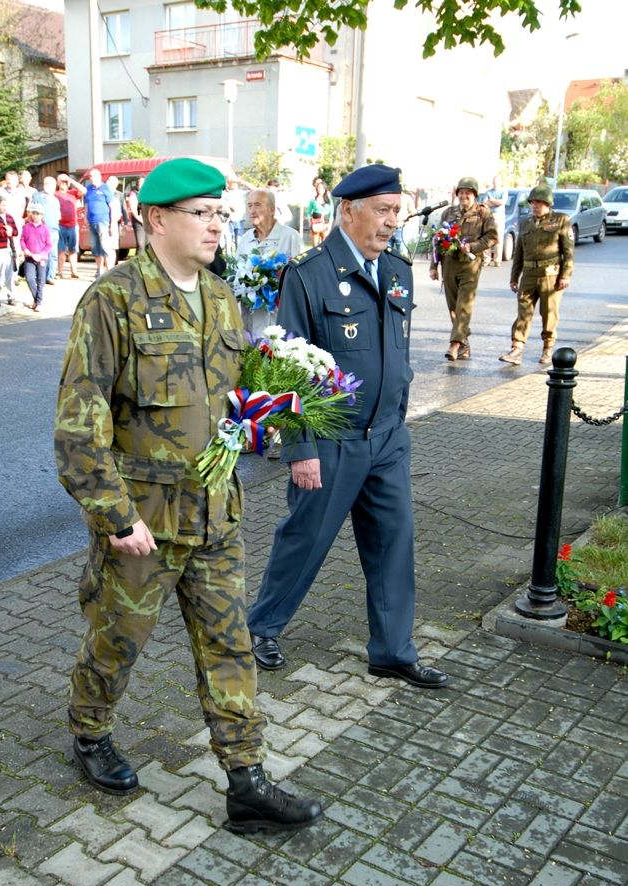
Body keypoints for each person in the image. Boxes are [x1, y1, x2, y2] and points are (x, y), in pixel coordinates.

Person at [54, 157, 323, 834]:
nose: (215, 225)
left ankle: (246, 779)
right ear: (156, 220)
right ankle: (89, 730)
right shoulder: (111, 300)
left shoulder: (221, 297)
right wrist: (114, 517)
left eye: (220, 214)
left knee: (229, 645)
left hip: (214, 512)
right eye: (201, 213)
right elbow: (78, 423)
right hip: (142, 522)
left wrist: (264, 417)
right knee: (118, 642)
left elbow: (229, 399)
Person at [247, 164, 448, 693]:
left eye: (395, 211)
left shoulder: (399, 270)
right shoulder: (309, 273)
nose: (391, 222)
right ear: (348, 211)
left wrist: (398, 420)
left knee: (393, 543)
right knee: (305, 537)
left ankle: (392, 651)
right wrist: (300, 448)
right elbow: (284, 367)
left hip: (386, 438)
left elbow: (395, 350)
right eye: (381, 211)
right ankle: (261, 627)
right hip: (331, 442)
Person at [500, 184, 574, 367]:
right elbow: (519, 252)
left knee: (549, 312)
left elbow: (568, 251)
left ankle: (548, 348)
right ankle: (517, 348)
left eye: (540, 203)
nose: (535, 206)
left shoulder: (561, 220)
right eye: (533, 202)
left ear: (548, 204)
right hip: (529, 274)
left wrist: (565, 275)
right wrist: (513, 276)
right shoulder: (525, 223)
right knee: (523, 312)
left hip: (551, 275)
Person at [429, 176, 497, 362]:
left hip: (470, 265)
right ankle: (464, 343)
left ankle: (455, 344)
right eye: (461, 192)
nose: (464, 196)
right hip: (449, 263)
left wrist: (473, 247)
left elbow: (492, 237)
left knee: (463, 305)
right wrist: (434, 266)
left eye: (468, 193)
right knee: (453, 306)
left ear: (474, 195)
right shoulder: (449, 213)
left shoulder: (483, 213)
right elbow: (437, 239)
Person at [237, 188, 302, 260]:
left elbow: (302, 269)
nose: (252, 211)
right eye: (250, 206)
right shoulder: (246, 238)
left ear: (272, 210)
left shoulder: (290, 237)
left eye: (257, 205)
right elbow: (235, 268)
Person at [20, 202, 52, 312]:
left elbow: (49, 244)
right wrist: (25, 250)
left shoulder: (45, 228)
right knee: (29, 278)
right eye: (34, 213)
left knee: (41, 280)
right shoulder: (26, 227)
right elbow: (22, 240)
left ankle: (38, 302)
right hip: (29, 257)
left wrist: (41, 255)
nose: (36, 215)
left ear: (42, 215)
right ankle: (37, 300)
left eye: (38, 214)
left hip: (41, 258)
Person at [0, 195, 19, 306]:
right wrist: (4, 232)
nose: (4, 207)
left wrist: (11, 231)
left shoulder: (10, 217)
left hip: (9, 248)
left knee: (10, 273)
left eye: (6, 205)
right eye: (2, 205)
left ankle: (11, 296)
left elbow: (15, 232)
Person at [83, 168, 113, 276]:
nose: (91, 178)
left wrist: (112, 222)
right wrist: (85, 217)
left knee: (105, 247)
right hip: (91, 222)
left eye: (93, 176)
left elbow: (111, 206)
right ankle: (99, 271)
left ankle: (109, 271)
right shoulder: (89, 189)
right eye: (90, 176)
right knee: (95, 248)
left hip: (103, 221)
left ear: (99, 176)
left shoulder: (105, 188)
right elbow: (87, 204)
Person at [56, 173, 85, 279]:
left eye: (65, 182)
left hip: (73, 225)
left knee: (73, 250)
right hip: (61, 225)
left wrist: (71, 180)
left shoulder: (73, 193)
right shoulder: (55, 194)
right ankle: (60, 272)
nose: (64, 184)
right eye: (61, 182)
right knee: (61, 250)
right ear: (58, 183)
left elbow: (84, 190)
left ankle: (74, 271)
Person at [34, 176, 61, 284]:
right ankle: (41, 276)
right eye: (46, 184)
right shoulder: (38, 197)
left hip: (54, 230)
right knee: (42, 254)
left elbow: (58, 215)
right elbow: (32, 211)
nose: (48, 186)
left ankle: (50, 276)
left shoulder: (55, 199)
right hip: (42, 230)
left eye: (51, 184)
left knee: (53, 255)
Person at [483, 174, 507, 266]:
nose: (495, 183)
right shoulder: (488, 192)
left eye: (497, 181)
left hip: (499, 216)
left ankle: (497, 260)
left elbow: (502, 202)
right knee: (487, 237)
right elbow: (485, 203)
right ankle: (486, 259)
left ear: (500, 182)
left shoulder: (504, 191)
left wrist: (491, 200)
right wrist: (496, 202)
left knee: (498, 238)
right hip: (489, 215)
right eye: (494, 181)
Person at [307, 178, 333, 247]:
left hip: (326, 224)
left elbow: (331, 213)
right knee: (315, 245)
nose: (319, 189)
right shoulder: (313, 200)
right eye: (318, 187)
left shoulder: (328, 200)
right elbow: (308, 212)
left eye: (321, 188)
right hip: (316, 223)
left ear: (324, 189)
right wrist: (310, 223)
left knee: (325, 244)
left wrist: (329, 225)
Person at [224, 177, 245, 253]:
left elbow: (254, 189)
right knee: (228, 239)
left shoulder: (241, 193)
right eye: (233, 183)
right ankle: (229, 260)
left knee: (239, 239)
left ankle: (238, 257)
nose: (235, 185)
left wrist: (242, 181)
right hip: (229, 219)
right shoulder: (225, 194)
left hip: (239, 218)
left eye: (235, 183)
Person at [126, 176, 146, 255]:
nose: (143, 184)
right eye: (141, 182)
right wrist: (142, 220)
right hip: (139, 222)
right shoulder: (133, 194)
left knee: (148, 245)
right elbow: (134, 211)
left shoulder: (148, 193)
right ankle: (139, 263)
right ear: (138, 184)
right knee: (141, 244)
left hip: (148, 221)